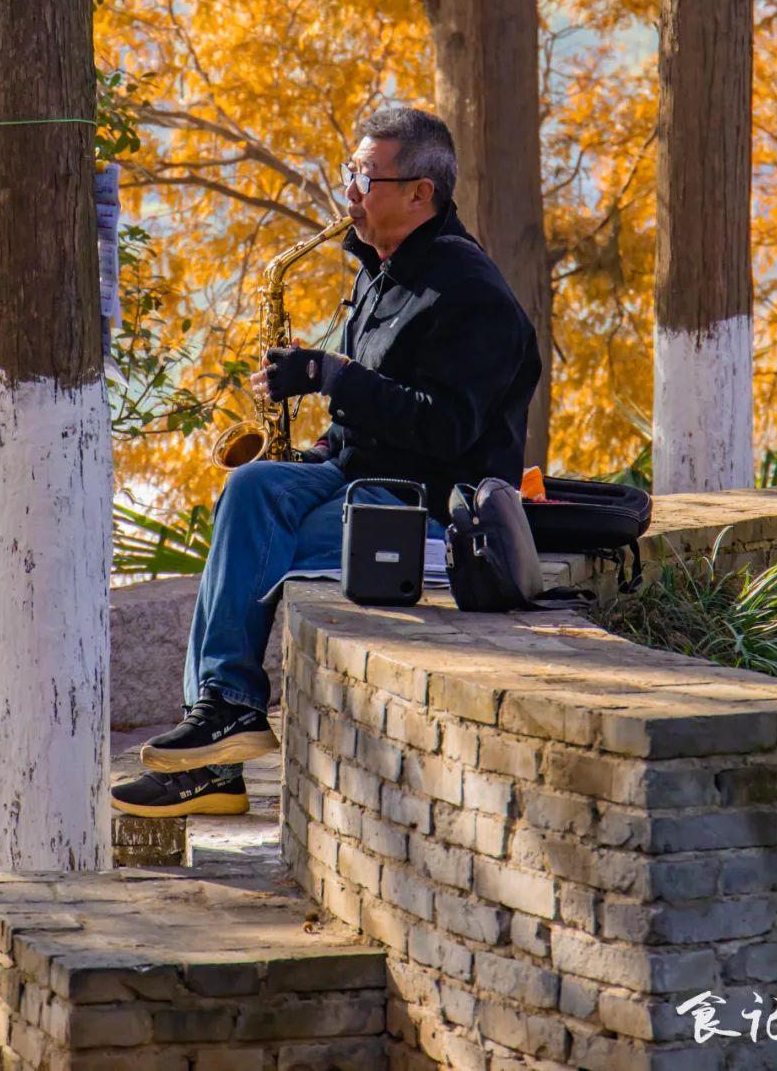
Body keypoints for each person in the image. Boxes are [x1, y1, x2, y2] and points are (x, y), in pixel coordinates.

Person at [111, 106, 542, 817]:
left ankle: (219, 740)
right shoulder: (380, 272)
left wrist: (333, 376)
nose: (350, 191)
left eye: (365, 179)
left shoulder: (473, 296)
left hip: (430, 510)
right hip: (360, 479)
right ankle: (224, 716)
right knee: (251, 490)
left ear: (419, 195)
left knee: (257, 544)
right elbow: (364, 420)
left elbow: (448, 431)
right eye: (351, 173)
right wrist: (317, 440)